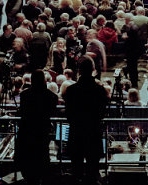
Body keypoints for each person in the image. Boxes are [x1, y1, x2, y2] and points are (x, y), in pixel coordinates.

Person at [63, 57, 109, 185]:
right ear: (93, 70)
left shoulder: (71, 90)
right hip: (93, 133)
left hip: (76, 134)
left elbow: (68, 114)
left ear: (79, 71)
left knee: (76, 172)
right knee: (92, 173)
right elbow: (102, 113)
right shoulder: (99, 90)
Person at [16, 69, 58, 185]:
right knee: (42, 164)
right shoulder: (52, 97)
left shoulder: (24, 95)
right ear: (44, 81)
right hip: (42, 136)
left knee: (29, 169)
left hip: (27, 136)